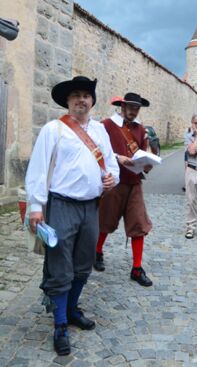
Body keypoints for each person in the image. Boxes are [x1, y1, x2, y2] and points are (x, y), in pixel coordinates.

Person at [25, 76, 120, 356]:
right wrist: (35, 207)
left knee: (83, 263)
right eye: (76, 95)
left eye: (86, 95)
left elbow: (111, 163)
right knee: (59, 265)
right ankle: (60, 324)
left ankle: (71, 308)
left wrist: (111, 178)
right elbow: (39, 169)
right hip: (61, 205)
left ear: (92, 100)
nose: (81, 100)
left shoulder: (101, 131)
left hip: (91, 207)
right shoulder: (53, 129)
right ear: (67, 101)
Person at [95, 93, 154, 287]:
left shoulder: (140, 128)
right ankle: (97, 252)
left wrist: (147, 163)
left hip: (134, 182)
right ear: (122, 106)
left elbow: (144, 151)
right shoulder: (107, 125)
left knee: (139, 224)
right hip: (114, 182)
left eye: (136, 108)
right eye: (130, 106)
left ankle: (137, 268)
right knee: (105, 220)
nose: (133, 110)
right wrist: (118, 158)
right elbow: (98, 150)